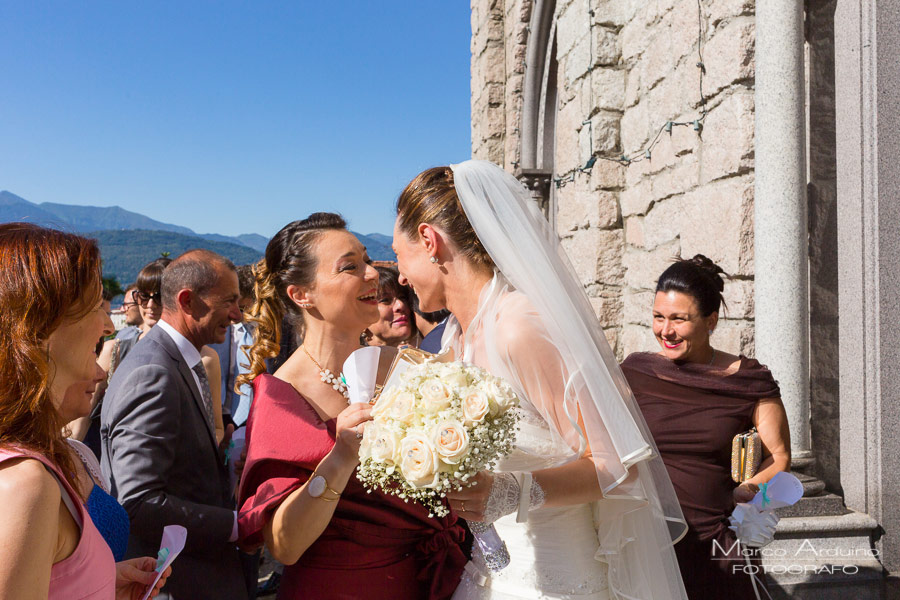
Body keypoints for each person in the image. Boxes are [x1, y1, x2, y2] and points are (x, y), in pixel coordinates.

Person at [392, 161, 688, 599]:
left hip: (560, 580)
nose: (399, 276)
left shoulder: (518, 326)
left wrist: (516, 491)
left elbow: (618, 468)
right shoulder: (456, 337)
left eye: (400, 257)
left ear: (429, 241)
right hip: (488, 576)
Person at [236, 213, 468, 600]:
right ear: (301, 294)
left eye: (367, 261)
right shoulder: (284, 396)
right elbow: (284, 546)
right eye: (350, 267)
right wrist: (341, 456)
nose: (372, 274)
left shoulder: (408, 365)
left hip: (431, 579)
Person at [0, 223, 170, 599]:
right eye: (96, 306)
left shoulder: (44, 456)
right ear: (39, 327)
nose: (109, 324)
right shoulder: (22, 484)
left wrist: (101, 581)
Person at [621, 255, 790, 599]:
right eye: (658, 317)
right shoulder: (635, 373)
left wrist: (747, 495)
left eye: (679, 319)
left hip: (717, 545)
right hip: (648, 543)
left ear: (711, 320)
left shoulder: (748, 379)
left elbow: (779, 457)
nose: (665, 331)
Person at [101, 249, 248, 600]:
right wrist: (236, 525)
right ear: (188, 301)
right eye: (229, 301)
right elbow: (138, 501)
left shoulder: (177, 360)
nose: (237, 314)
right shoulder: (154, 371)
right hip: (180, 582)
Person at [363, 264, 420, 347]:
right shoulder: (350, 359)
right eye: (385, 300)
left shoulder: (420, 356)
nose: (401, 305)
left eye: (403, 297)